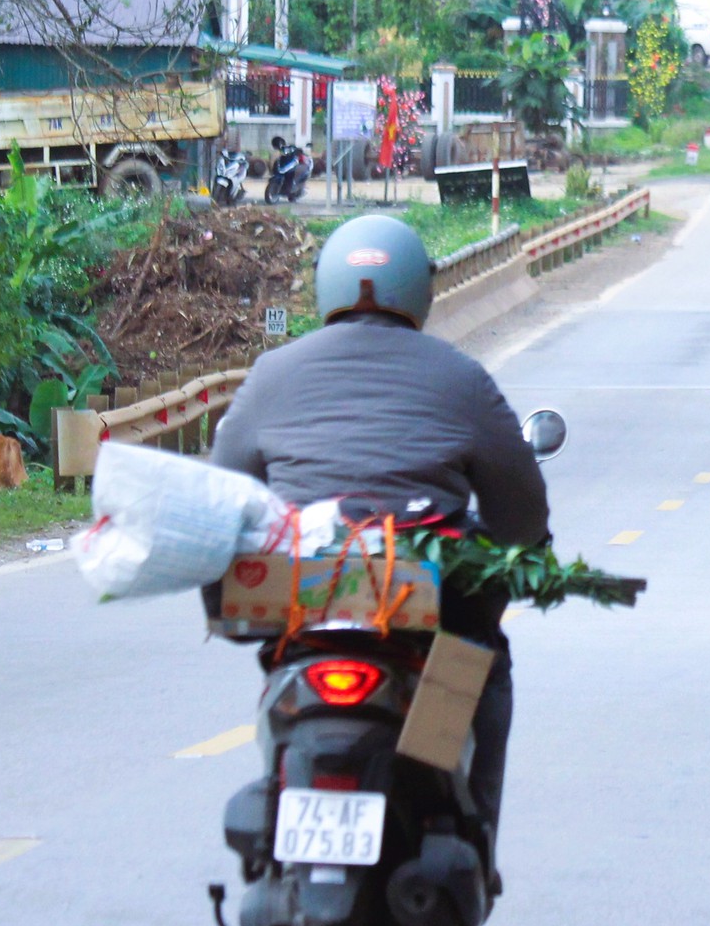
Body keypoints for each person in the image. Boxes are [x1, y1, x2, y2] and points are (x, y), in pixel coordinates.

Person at [209, 214, 549, 850]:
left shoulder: (272, 374)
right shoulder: (460, 377)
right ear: (422, 288)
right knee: (478, 662)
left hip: (305, 606)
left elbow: (222, 499)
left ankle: (282, 785)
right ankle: (468, 834)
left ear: (326, 286)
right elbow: (521, 514)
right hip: (427, 618)